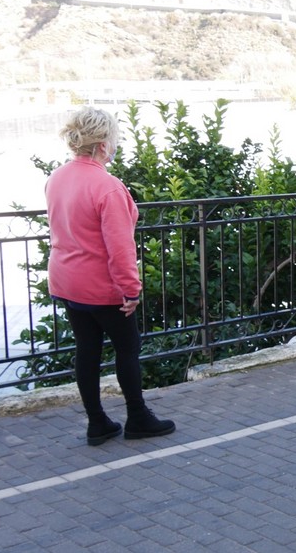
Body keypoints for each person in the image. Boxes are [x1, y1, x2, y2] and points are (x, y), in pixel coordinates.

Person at [46, 106, 175, 446]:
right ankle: (138, 417)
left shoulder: (56, 178)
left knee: (86, 350)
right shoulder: (108, 187)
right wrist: (131, 290)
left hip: (66, 281)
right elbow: (120, 249)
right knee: (127, 347)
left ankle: (97, 423)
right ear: (103, 144)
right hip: (101, 286)